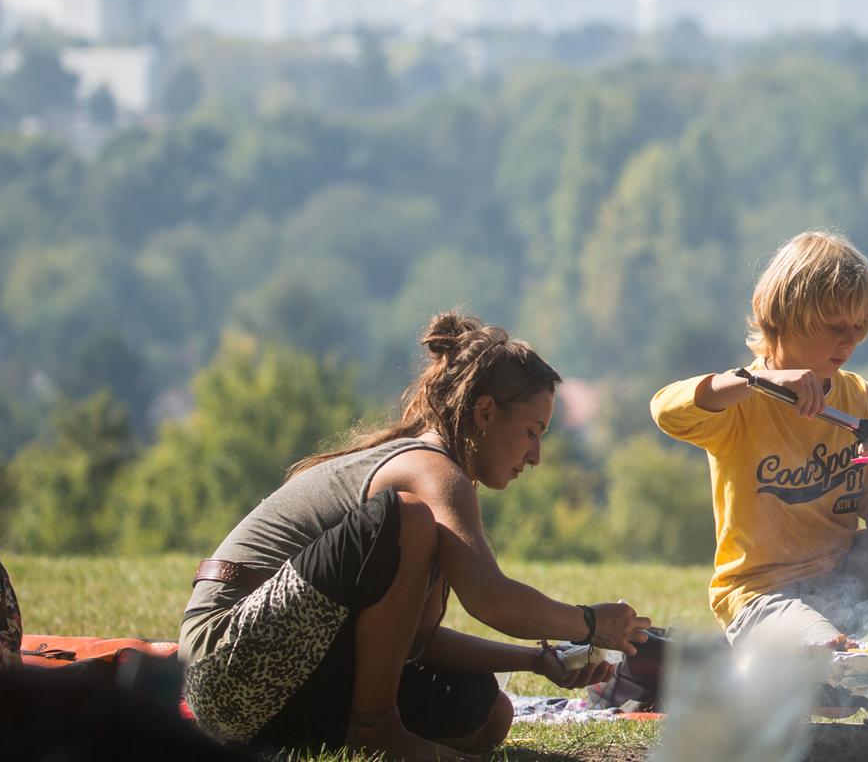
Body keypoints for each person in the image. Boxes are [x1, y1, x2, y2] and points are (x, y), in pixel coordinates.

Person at [179, 312, 653, 761]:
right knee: (406, 517)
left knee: (487, 714)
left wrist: (534, 661)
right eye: (531, 432)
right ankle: (376, 730)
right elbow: (491, 600)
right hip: (227, 670)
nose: (536, 456)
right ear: (485, 413)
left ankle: (370, 727)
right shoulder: (429, 469)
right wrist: (591, 623)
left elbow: (412, 641)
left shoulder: (445, 478)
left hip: (286, 681)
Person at [650, 230, 868, 652]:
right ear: (785, 314)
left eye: (858, 328)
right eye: (835, 326)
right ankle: (836, 669)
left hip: (845, 583)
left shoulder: (860, 398)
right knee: (829, 659)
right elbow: (665, 410)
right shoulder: (742, 403)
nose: (850, 341)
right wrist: (759, 380)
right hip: (762, 598)